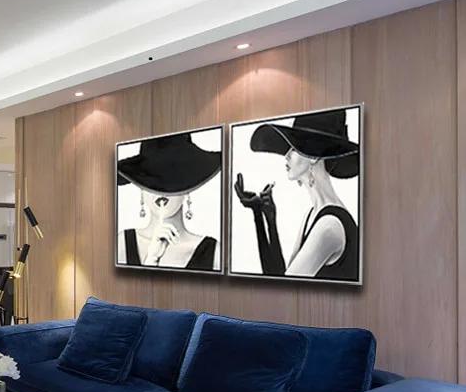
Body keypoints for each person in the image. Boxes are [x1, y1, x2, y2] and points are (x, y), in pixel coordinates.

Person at [234, 108, 359, 281]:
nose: (286, 155)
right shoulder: (312, 215)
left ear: (314, 156)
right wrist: (263, 215)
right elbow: (279, 277)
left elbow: (283, 287)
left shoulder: (329, 226)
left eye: (294, 147)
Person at [117, 132, 222, 271]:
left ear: (188, 188)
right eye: (150, 181)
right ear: (141, 188)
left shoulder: (214, 252)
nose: (160, 191)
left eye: (172, 179)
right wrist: (151, 260)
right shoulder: (122, 244)